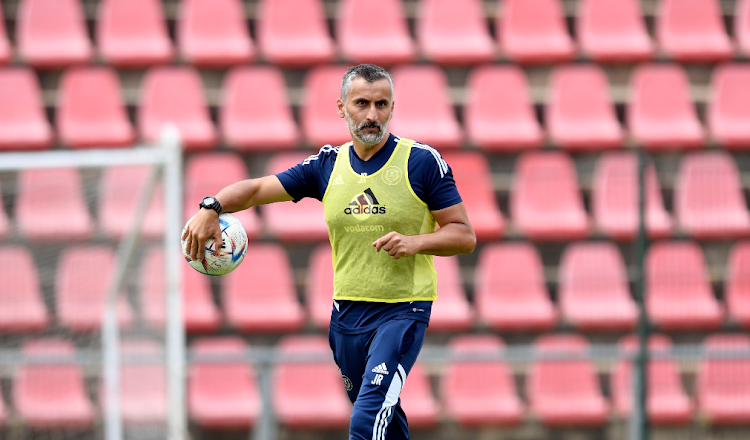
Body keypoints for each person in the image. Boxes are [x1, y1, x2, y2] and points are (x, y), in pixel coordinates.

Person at [182, 63, 476, 440]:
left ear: (392, 107)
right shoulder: (326, 165)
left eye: (382, 105)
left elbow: (464, 235)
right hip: (346, 317)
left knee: (366, 420)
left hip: (403, 312)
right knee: (385, 417)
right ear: (341, 107)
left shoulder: (421, 162)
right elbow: (256, 190)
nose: (373, 115)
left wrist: (415, 242)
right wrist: (212, 207)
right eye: (362, 104)